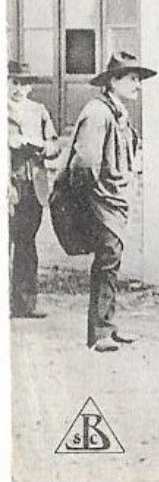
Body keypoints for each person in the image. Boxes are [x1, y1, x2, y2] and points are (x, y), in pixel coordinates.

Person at [64, 51, 153, 352]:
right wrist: (96, 198)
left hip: (114, 200)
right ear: (113, 81)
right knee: (107, 260)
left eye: (139, 80)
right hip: (101, 201)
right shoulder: (98, 112)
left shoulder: (118, 112)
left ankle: (107, 326)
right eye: (132, 79)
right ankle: (100, 333)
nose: (137, 85)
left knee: (110, 261)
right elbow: (84, 163)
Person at [9, 60, 60, 319]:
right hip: (9, 184)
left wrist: (40, 146)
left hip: (33, 187)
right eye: (14, 82)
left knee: (26, 243)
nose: (19, 88)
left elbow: (54, 145)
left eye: (25, 83)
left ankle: (24, 304)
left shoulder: (38, 111)